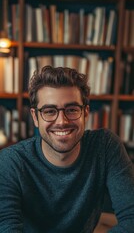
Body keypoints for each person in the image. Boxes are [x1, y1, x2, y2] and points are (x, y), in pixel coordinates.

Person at [0, 65, 134, 233]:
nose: (61, 121)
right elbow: (6, 227)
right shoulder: (10, 161)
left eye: (71, 110)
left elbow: (131, 217)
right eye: (49, 111)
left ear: (85, 113)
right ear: (35, 117)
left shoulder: (105, 146)